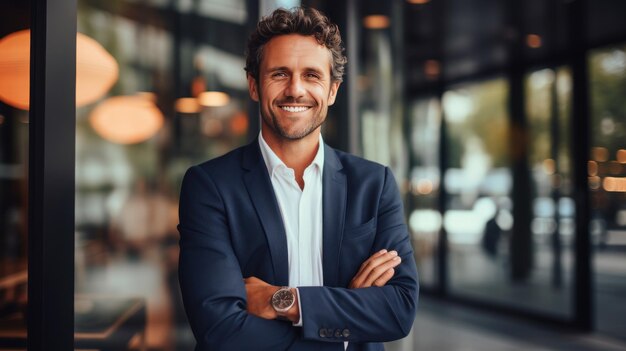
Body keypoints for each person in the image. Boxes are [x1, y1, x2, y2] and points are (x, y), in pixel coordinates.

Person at [178, 7, 418, 351]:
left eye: (312, 75)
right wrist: (343, 327)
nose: (295, 90)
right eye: (279, 74)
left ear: (333, 91)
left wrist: (283, 300)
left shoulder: (373, 184)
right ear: (254, 85)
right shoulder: (210, 186)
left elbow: (399, 310)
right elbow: (220, 328)